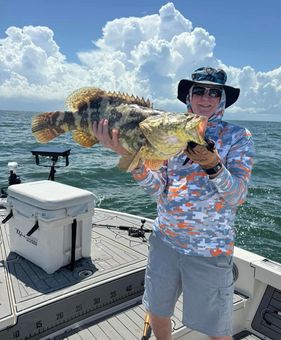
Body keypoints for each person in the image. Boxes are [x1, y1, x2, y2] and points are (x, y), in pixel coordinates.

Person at [93, 67, 255, 340]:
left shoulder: (238, 137)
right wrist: (133, 158)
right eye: (199, 91)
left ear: (222, 99)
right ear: (189, 97)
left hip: (209, 251)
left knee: (217, 328)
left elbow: (237, 196)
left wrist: (214, 166)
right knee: (158, 309)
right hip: (165, 242)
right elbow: (158, 189)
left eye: (215, 92)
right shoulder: (169, 130)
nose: (206, 98)